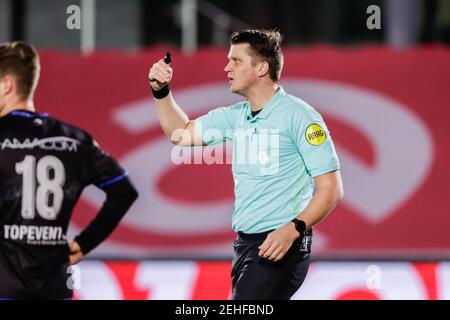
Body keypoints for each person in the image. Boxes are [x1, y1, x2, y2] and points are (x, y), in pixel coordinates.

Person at [148, 29, 343, 300]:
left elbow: (331, 188)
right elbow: (180, 133)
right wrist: (161, 91)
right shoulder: (237, 116)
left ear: (261, 67)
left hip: (281, 244)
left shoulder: (300, 117)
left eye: (236, 60)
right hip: (247, 245)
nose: (227, 67)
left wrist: (292, 229)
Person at [0, 41, 138, 299]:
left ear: (7, 85)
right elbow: (124, 191)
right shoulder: (75, 140)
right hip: (55, 286)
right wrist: (85, 242)